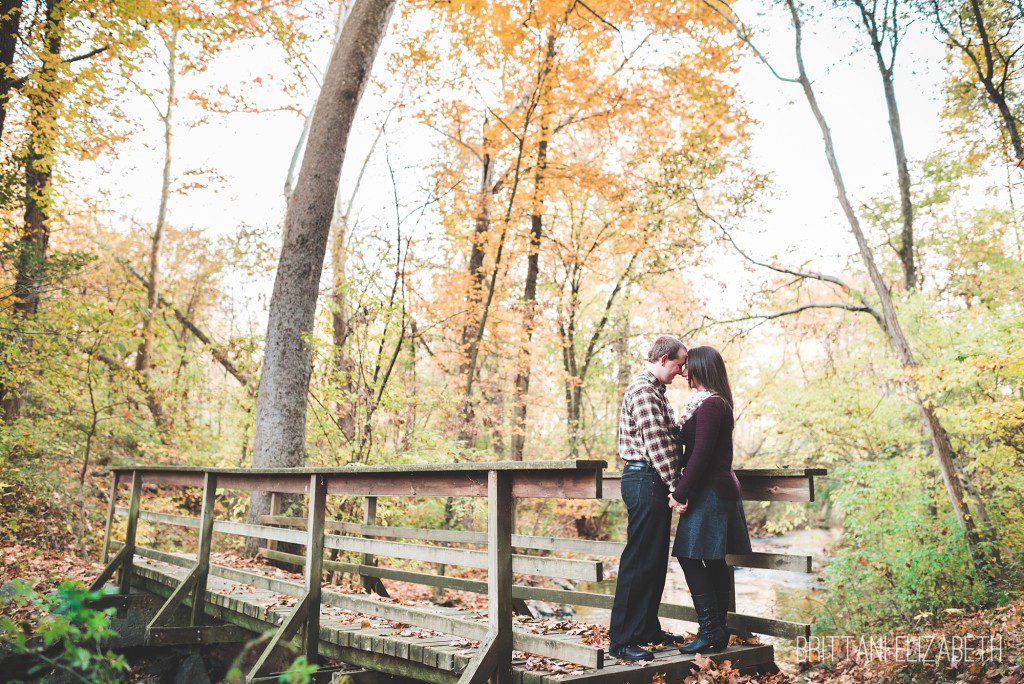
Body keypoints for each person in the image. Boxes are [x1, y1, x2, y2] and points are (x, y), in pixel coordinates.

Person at [668, 345, 753, 655]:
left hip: (712, 491)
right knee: (713, 559)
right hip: (715, 490)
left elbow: (701, 454)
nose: (683, 369)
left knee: (689, 555)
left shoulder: (712, 405)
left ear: (702, 367)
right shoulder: (706, 403)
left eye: (689, 364)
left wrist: (679, 493)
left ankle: (710, 630)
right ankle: (717, 631)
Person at [608, 335, 689, 662]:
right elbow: (657, 445)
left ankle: (645, 629)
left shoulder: (655, 390)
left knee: (654, 561)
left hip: (651, 479)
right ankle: (622, 640)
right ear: (665, 358)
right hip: (645, 479)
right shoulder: (643, 391)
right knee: (639, 560)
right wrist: (676, 488)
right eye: (680, 364)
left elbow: (668, 434)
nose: (682, 372)